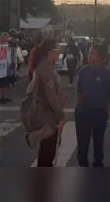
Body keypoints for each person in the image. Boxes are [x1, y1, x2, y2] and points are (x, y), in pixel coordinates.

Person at [75, 44, 110, 167]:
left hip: (100, 111)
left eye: (93, 53)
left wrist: (107, 112)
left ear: (101, 57)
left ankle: (98, 162)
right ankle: (82, 163)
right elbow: (79, 91)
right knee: (83, 140)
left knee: (99, 140)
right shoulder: (83, 71)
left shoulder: (108, 73)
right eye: (90, 53)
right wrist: (79, 108)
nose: (89, 56)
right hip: (84, 111)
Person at [26, 39, 66, 167]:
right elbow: (51, 96)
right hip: (48, 115)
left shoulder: (46, 67)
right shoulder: (46, 70)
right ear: (51, 52)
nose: (59, 53)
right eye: (57, 50)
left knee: (48, 150)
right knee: (48, 152)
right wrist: (60, 115)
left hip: (47, 114)